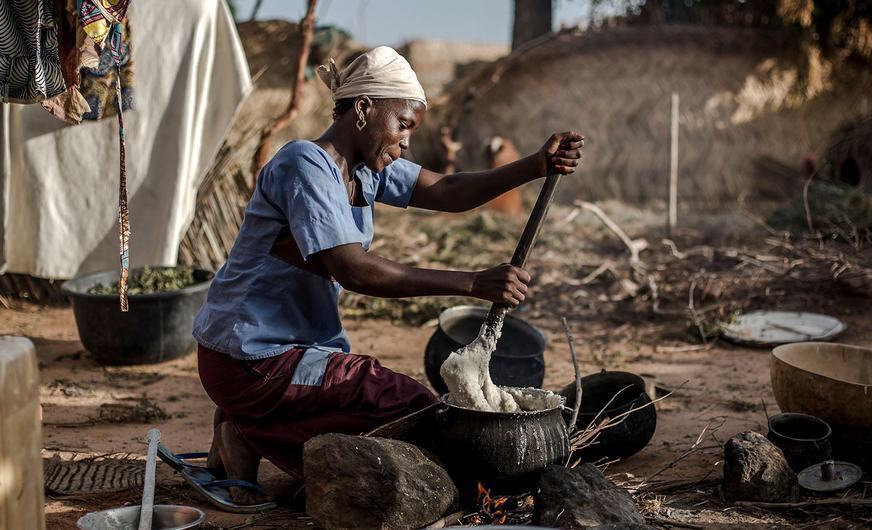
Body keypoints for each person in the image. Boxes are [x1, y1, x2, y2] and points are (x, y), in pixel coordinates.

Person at [189, 46, 584, 509]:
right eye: (404, 125)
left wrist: (535, 166)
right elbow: (353, 269)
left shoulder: (367, 171)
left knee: (382, 424)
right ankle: (248, 424)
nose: (407, 142)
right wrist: (473, 283)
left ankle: (244, 432)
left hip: (290, 353)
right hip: (250, 357)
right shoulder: (305, 164)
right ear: (363, 109)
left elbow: (449, 190)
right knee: (405, 405)